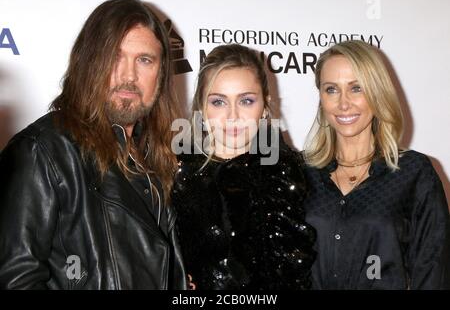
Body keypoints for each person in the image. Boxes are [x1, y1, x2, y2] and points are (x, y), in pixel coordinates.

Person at [0, 0, 187, 289]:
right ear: (89, 62)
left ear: (161, 75)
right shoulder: (42, 150)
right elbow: (15, 281)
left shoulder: (158, 160)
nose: (129, 76)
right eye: (115, 56)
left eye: (145, 60)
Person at [302, 40, 450, 289]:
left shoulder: (413, 172)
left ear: (377, 92)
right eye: (331, 89)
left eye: (356, 88)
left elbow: (433, 270)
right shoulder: (300, 172)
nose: (343, 103)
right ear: (321, 98)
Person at [171, 44, 316, 290]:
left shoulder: (292, 176)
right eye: (218, 102)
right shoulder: (173, 174)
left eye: (246, 101)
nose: (233, 115)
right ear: (201, 108)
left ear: (265, 107)